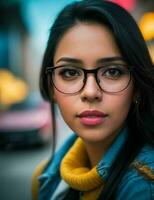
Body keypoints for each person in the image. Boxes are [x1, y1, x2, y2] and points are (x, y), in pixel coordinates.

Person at [32, 0, 154, 199]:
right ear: (51, 86)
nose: (90, 92)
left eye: (113, 71)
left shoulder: (144, 186)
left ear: (137, 88)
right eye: (70, 72)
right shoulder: (45, 177)